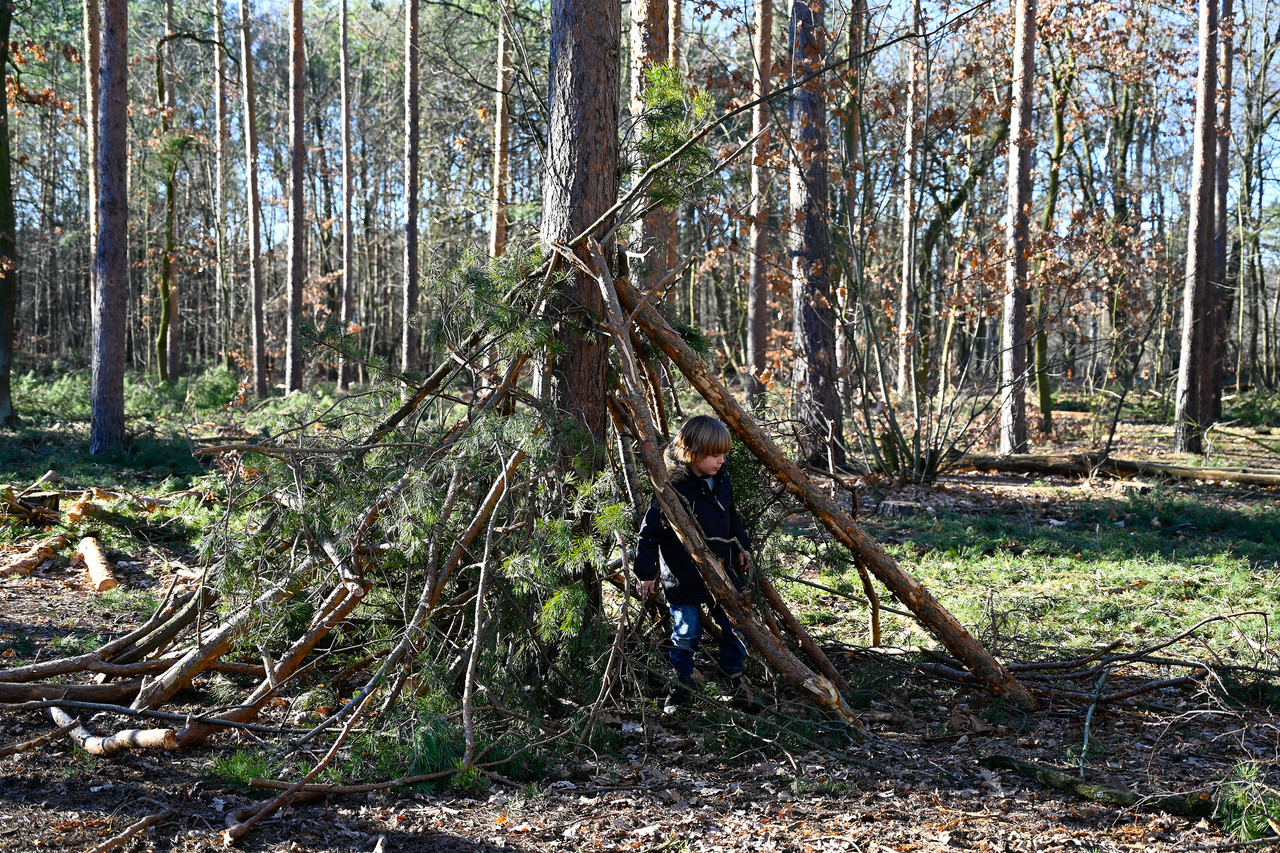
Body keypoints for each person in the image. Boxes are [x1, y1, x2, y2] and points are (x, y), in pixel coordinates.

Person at [634, 415, 754, 713]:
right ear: (692, 452)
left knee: (734, 625)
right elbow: (649, 533)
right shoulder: (673, 488)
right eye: (715, 454)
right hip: (683, 576)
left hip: (723, 572)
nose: (722, 460)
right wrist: (645, 574)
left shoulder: (722, 481)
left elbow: (732, 518)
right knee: (686, 631)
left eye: (724, 453)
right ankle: (681, 684)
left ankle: (734, 676)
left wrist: (741, 548)